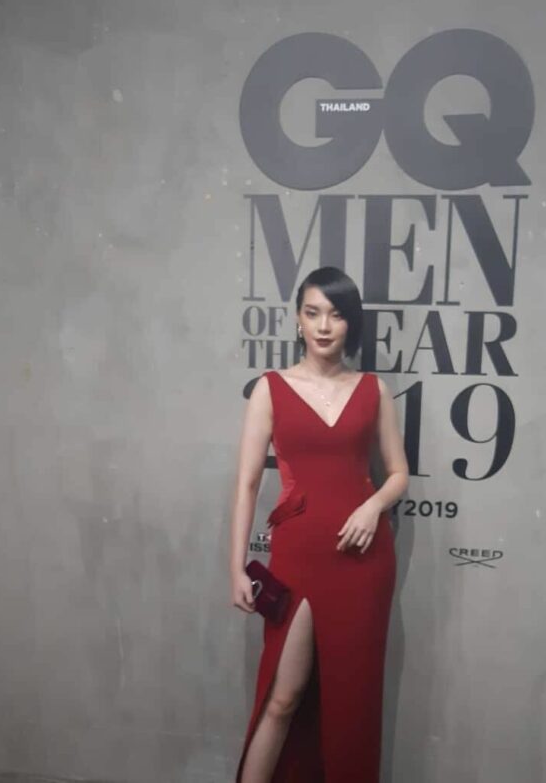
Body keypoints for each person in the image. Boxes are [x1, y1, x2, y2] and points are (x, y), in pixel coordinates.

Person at [229, 266, 409, 783]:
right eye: (313, 313)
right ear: (297, 320)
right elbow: (246, 484)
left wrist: (373, 506)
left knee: (353, 704)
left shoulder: (374, 390)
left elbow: (399, 475)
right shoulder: (270, 389)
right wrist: (236, 568)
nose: (324, 326)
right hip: (298, 556)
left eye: (335, 314)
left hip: (363, 563)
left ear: (351, 322)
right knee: (282, 697)